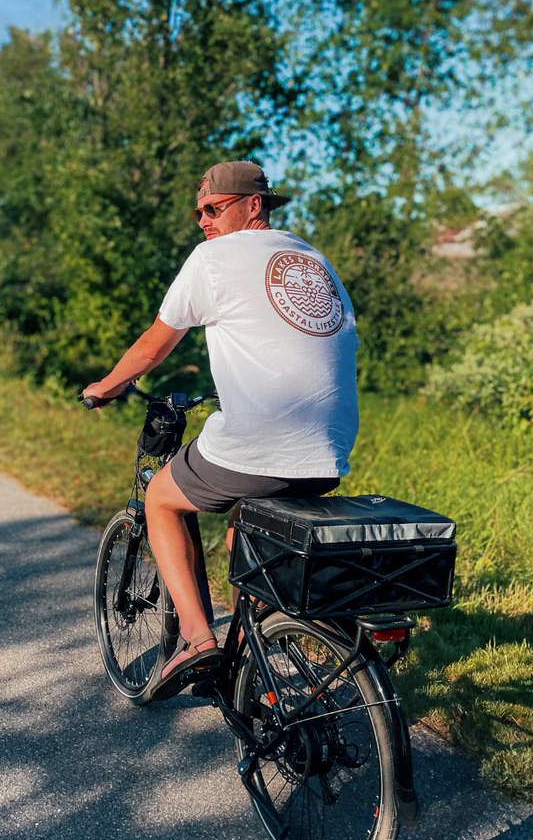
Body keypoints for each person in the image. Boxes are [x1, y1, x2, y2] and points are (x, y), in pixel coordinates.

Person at [83, 161, 359, 699]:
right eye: (199, 212)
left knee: (163, 497)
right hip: (327, 450)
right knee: (248, 513)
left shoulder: (215, 259)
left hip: (258, 446)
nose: (203, 221)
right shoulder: (312, 258)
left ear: (253, 205)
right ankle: (254, 649)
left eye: (214, 208)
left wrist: (109, 385)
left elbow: (155, 345)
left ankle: (195, 639)